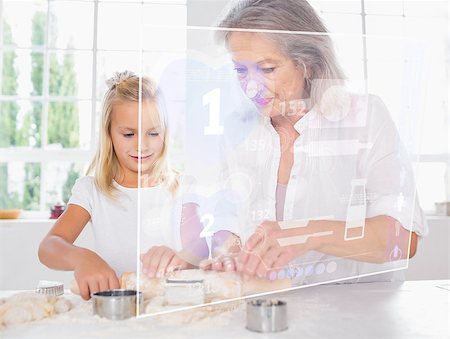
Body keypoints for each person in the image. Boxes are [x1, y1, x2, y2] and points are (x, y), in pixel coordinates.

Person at [203, 0, 428, 283]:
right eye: (241, 70)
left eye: (268, 69)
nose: (251, 87)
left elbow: (404, 239)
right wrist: (228, 253)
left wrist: (308, 234)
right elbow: (227, 217)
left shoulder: (364, 118)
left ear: (307, 64)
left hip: (358, 315)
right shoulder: (237, 127)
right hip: (266, 311)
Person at [38, 71, 209, 300]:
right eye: (129, 134)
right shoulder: (92, 190)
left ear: (166, 132)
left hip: (168, 309)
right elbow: (49, 246)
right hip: (114, 313)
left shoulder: (182, 186)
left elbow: (199, 246)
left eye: (153, 133)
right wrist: (83, 259)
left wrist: (179, 258)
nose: (142, 145)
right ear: (109, 133)